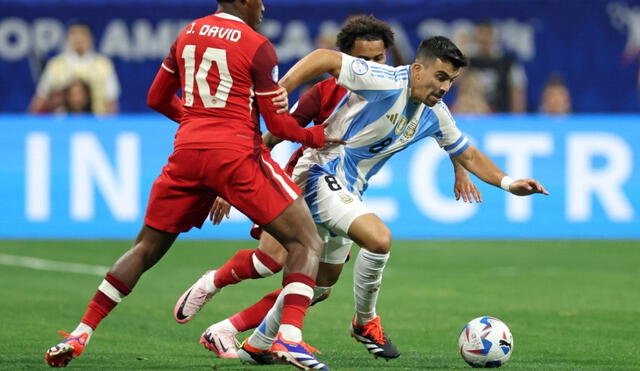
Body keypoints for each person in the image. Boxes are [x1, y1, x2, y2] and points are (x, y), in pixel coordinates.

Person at [180, 35, 549, 367]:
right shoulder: (387, 80)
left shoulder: (435, 114)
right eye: (440, 77)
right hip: (320, 173)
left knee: (318, 285)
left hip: (347, 188)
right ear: (417, 68)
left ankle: (254, 341)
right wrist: (280, 89)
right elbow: (324, 57)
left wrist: (509, 181)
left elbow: (467, 153)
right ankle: (362, 322)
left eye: (451, 81)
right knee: (374, 239)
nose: (445, 87)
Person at [44, 1, 343, 369]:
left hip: (187, 151)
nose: (264, 6)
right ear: (245, 1)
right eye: (259, 0)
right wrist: (314, 135)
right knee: (306, 241)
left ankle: (81, 331)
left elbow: (155, 97)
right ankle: (290, 338)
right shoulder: (257, 45)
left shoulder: (188, 33)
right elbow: (278, 127)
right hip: (236, 154)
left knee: (144, 248)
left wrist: (198, 120)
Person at [29, 22, 120, 114]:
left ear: (91, 38)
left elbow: (111, 101)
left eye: (82, 34)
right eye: (74, 34)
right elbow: (41, 98)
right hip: (61, 121)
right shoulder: (56, 65)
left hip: (96, 121)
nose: (78, 39)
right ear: (68, 38)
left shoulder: (103, 65)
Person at [467, 21, 527, 113]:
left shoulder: (508, 63)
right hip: (476, 116)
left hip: (501, 117)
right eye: (480, 37)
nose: (483, 39)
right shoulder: (469, 62)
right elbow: (457, 85)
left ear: (494, 38)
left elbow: (517, 92)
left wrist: (517, 119)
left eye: (486, 36)